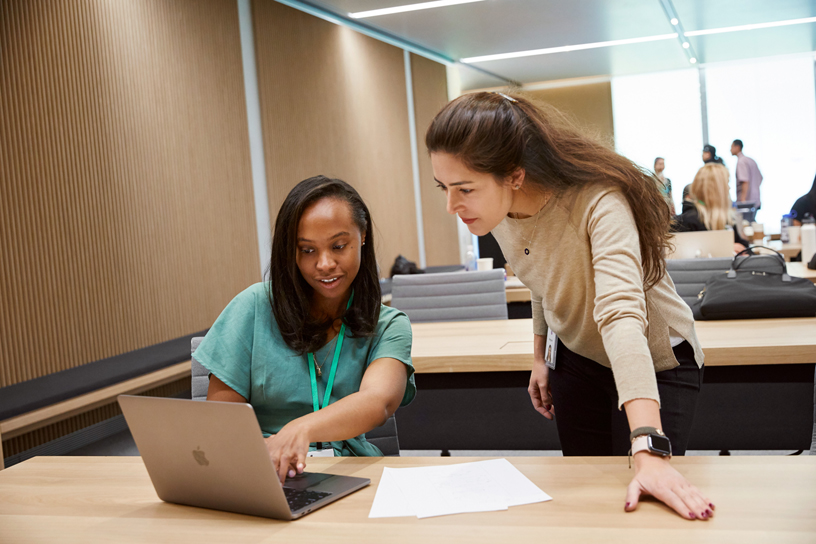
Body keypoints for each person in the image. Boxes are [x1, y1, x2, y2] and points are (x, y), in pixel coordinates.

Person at [426, 92, 712, 520]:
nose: (452, 206)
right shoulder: (497, 211)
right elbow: (541, 273)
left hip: (653, 358)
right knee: (588, 502)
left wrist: (648, 444)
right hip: (579, 359)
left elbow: (620, 314)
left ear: (516, 176)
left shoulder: (598, 202)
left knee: (647, 506)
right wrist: (540, 355)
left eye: (464, 189)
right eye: (444, 188)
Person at [193, 175, 415, 482]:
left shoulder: (388, 324)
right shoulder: (253, 307)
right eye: (307, 250)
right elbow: (222, 422)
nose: (324, 264)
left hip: (347, 473)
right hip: (263, 471)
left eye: (339, 246)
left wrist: (300, 428)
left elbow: (377, 402)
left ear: (362, 236)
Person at [673, 163, 750, 252]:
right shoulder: (688, 221)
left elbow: (742, 245)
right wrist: (726, 248)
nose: (729, 188)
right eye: (727, 183)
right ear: (716, 189)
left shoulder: (726, 218)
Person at [730, 139, 763, 210]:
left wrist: (743, 200)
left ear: (737, 147)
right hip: (756, 199)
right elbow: (760, 178)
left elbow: (745, 181)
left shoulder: (741, 161)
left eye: (732, 147)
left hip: (746, 202)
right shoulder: (751, 160)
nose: (730, 150)